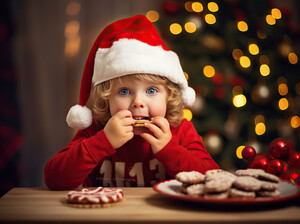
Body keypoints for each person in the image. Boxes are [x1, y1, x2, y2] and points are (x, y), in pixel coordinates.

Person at [44, 15, 219, 190]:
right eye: (124, 91)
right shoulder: (95, 131)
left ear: (168, 97)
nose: (138, 102)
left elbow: (213, 179)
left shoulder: (180, 131)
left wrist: (170, 150)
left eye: (151, 91)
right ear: (107, 98)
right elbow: (54, 179)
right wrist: (102, 142)